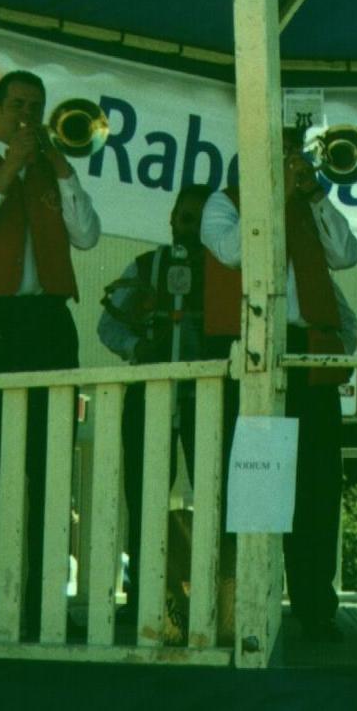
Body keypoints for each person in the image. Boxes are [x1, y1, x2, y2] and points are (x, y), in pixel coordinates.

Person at [0, 70, 102, 638]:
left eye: (36, 106)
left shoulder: (56, 172)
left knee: (48, 469)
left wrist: (62, 169)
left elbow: (88, 236)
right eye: (18, 106)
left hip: (46, 323)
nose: (28, 115)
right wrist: (8, 170)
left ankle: (43, 607)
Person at [202, 126, 357, 644]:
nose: (292, 160)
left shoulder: (309, 205)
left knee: (317, 483)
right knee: (257, 482)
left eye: (295, 152)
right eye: (282, 152)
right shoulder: (223, 204)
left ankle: (315, 605)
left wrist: (314, 195)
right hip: (254, 352)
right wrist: (273, 194)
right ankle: (248, 605)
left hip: (307, 350)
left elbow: (347, 254)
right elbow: (231, 252)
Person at [96, 185, 214, 638]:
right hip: (150, 396)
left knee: (214, 497)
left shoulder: (229, 270)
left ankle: (211, 596)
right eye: (186, 217)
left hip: (207, 400)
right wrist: (138, 348)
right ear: (171, 219)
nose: (191, 228)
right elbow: (108, 327)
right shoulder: (146, 267)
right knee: (144, 497)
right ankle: (144, 596)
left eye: (202, 220)